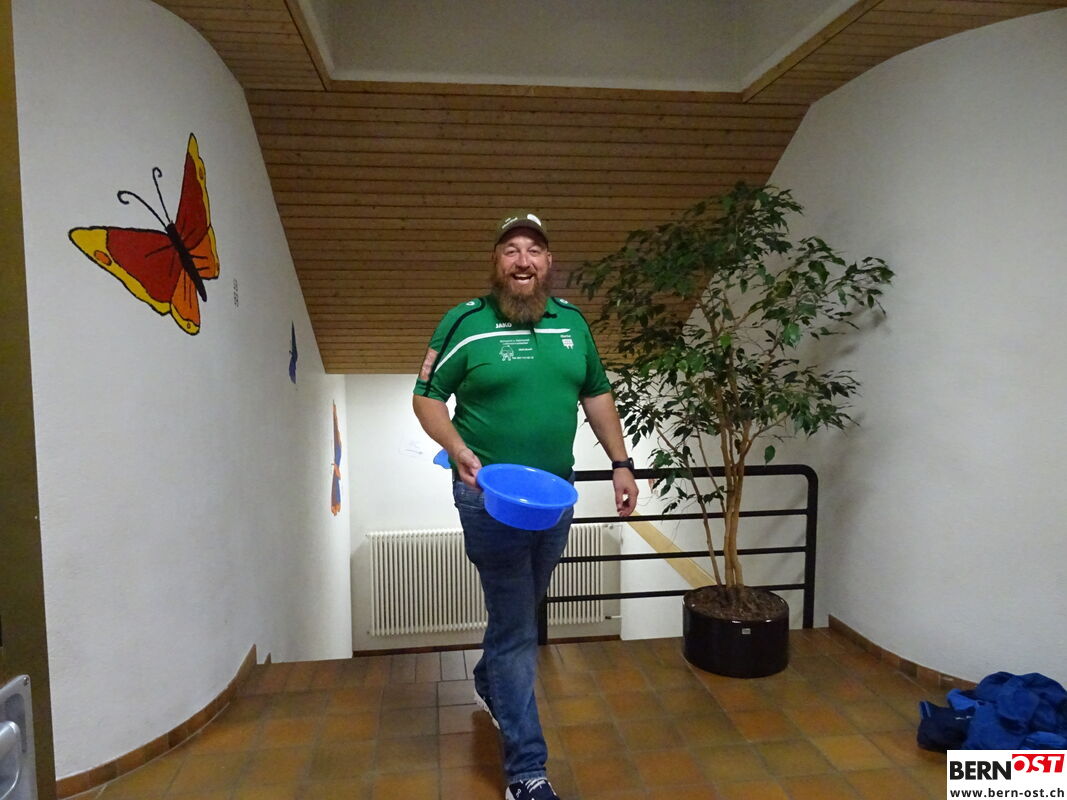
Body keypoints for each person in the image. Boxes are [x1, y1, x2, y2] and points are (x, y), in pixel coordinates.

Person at [413, 212, 639, 800]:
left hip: (554, 498)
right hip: (487, 498)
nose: (522, 259)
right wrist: (457, 448)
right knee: (517, 628)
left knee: (522, 607)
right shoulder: (465, 322)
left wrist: (622, 462)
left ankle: (489, 678)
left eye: (533, 250)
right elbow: (427, 396)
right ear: (497, 262)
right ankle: (526, 772)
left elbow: (597, 394)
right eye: (511, 249)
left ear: (548, 263)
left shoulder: (572, 324)